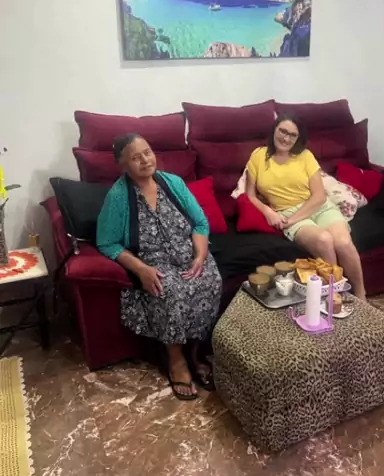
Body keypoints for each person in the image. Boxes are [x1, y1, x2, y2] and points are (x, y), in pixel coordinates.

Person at [96, 133, 223, 401]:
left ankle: (195, 352)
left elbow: (200, 223)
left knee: (210, 280)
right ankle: (176, 359)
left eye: (148, 152)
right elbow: (107, 243)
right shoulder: (118, 196)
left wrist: (200, 255)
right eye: (136, 157)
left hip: (188, 255)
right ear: (123, 165)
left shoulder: (173, 183)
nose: (145, 160)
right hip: (153, 262)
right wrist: (140, 269)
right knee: (170, 291)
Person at [246, 114, 367, 300]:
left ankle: (360, 294)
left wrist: (293, 220)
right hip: (286, 211)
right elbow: (250, 195)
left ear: (298, 138)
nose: (286, 138)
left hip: (318, 207)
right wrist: (268, 211)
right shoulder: (258, 156)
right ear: (274, 130)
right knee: (324, 240)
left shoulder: (305, 156)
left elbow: (319, 196)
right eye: (283, 131)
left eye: (292, 135)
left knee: (343, 243)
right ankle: (335, 296)